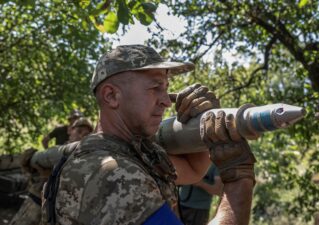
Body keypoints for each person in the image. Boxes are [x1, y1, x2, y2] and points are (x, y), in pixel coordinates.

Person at [43, 45, 257, 225]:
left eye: (166, 88)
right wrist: (239, 180)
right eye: (155, 87)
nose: (166, 101)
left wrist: (202, 124)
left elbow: (193, 171)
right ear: (111, 96)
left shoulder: (127, 150)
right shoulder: (114, 174)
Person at [10, 118, 93, 225]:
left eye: (86, 134)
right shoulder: (57, 151)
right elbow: (31, 162)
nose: (82, 136)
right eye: (79, 131)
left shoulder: (86, 157)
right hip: (36, 204)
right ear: (69, 131)